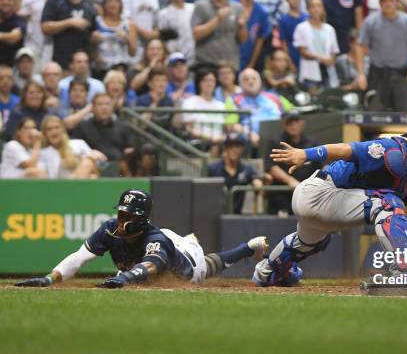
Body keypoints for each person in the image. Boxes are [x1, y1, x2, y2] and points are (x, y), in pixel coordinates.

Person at [252, 114, 407, 286]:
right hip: (320, 192)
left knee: (307, 242)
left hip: (331, 207)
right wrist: (306, 154)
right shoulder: (391, 149)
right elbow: (346, 149)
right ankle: (404, 270)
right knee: (388, 203)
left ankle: (267, 270)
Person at [14, 189, 269, 288]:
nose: (122, 219)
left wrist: (124, 277)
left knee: (207, 266)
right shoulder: (110, 228)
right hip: (165, 241)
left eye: (129, 215)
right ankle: (246, 246)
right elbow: (80, 257)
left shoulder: (153, 238)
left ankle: (247, 247)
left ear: (141, 217)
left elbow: (152, 266)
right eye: (121, 213)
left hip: (186, 262)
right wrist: (51, 277)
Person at [356, 0, 407, 112]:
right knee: (373, 115)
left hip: (401, 74)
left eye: (390, 0)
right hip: (378, 75)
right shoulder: (370, 22)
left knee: (406, 114)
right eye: (383, 0)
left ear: (396, 2)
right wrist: (360, 74)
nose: (387, 3)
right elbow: (360, 47)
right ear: (380, 4)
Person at [264, 111, 320, 217]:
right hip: (281, 197)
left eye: (296, 122)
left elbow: (321, 165)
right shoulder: (276, 141)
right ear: (284, 124)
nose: (293, 125)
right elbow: (271, 167)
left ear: (302, 123)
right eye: (289, 122)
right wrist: (291, 181)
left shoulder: (312, 142)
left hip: (307, 196)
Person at [226, 68, 292, 143]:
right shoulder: (234, 100)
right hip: (250, 142)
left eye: (254, 78)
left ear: (260, 81)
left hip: (279, 139)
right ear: (240, 83)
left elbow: (293, 112)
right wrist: (249, 133)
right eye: (246, 79)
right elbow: (230, 125)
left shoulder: (274, 97)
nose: (251, 81)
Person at [293, 0, 340, 93]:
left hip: (327, 71)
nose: (316, 9)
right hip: (310, 71)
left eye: (319, 6)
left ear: (323, 9)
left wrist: (330, 60)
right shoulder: (301, 28)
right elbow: (303, 51)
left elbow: (334, 51)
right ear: (308, 9)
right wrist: (321, 58)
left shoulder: (330, 29)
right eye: (313, 6)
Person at [191, 0, 247, 73]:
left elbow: (243, 39)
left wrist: (241, 27)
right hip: (206, 64)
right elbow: (196, 34)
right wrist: (218, 19)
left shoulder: (238, 8)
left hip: (230, 65)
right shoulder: (201, 6)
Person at [208, 133, 262, 214]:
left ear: (243, 149)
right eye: (230, 146)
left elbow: (258, 182)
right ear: (226, 149)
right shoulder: (212, 168)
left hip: (236, 217)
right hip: (214, 216)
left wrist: (259, 183)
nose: (234, 150)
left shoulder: (246, 169)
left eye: (237, 146)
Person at [39, 114, 107, 178]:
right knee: (87, 162)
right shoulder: (43, 153)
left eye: (57, 128)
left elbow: (101, 165)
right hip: (59, 184)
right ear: (45, 134)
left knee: (91, 173)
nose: (54, 132)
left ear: (63, 129)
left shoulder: (78, 143)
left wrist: (96, 155)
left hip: (84, 180)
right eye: (49, 129)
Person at [41, 0, 97, 69]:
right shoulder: (55, 2)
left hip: (83, 63)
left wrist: (96, 37)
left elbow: (93, 32)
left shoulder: (89, 5)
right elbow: (45, 28)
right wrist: (69, 22)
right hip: (60, 62)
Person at [73, 93, 133, 160]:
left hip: (118, 165)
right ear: (93, 108)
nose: (104, 107)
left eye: (107, 104)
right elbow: (76, 149)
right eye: (100, 104)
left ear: (112, 107)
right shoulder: (82, 127)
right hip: (92, 164)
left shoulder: (122, 126)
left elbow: (129, 148)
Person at [181, 69, 229, 153]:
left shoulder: (221, 105)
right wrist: (208, 137)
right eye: (205, 80)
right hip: (198, 142)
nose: (209, 84)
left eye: (212, 80)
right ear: (199, 83)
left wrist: (222, 137)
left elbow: (226, 129)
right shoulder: (190, 102)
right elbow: (188, 128)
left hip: (220, 142)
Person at [91, 0, 137, 76]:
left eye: (116, 1)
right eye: (109, 1)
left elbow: (133, 53)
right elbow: (89, 49)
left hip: (120, 68)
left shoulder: (128, 24)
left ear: (121, 4)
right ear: (104, 5)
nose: (113, 4)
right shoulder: (96, 22)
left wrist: (127, 39)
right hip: (100, 68)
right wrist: (93, 42)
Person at [157, 0, 195, 64]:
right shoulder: (163, 13)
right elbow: (162, 39)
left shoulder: (193, 8)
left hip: (193, 53)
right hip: (174, 56)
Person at [238, 0, 271, 71]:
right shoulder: (231, 4)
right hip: (228, 58)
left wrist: (251, 65)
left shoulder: (261, 12)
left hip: (247, 57)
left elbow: (259, 41)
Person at [278, 0, 307, 69]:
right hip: (293, 56)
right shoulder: (283, 20)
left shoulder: (307, 18)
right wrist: (289, 63)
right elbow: (284, 44)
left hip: (307, 57)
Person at [0, 0, 26, 66]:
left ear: (14, 2)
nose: (6, 2)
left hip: (12, 68)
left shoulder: (19, 21)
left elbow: (14, 38)